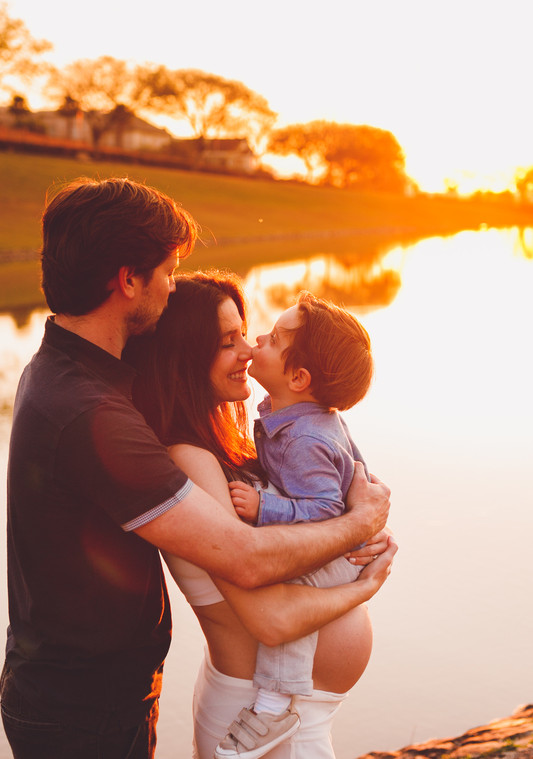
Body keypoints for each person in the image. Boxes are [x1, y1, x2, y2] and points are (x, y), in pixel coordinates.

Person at [2, 178, 391, 759]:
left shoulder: (91, 379)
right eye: (166, 269)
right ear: (127, 280)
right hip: (80, 705)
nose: (250, 350)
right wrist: (362, 542)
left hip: (110, 692)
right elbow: (251, 573)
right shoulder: (91, 412)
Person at [126, 271, 396, 759]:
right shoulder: (190, 458)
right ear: (187, 358)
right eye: (228, 343)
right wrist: (363, 583)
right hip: (259, 717)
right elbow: (271, 619)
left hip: (290, 712)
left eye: (246, 335)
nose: (249, 351)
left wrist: (364, 519)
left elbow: (331, 495)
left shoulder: (248, 439)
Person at [215, 291, 376, 759]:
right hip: (344, 543)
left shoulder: (305, 437)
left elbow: (325, 510)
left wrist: (267, 508)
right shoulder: (296, 417)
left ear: (299, 377)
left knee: (289, 585)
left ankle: (272, 707)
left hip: (337, 551)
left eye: (274, 337)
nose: (258, 338)